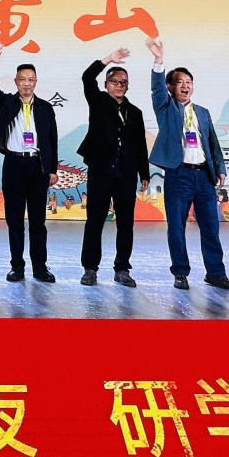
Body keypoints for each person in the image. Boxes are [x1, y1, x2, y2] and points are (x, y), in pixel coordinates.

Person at [147, 37, 229, 292]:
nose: (185, 86)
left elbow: (212, 142)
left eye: (189, 82)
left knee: (211, 227)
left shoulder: (202, 112)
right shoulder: (166, 107)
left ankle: (216, 274)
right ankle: (180, 273)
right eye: (180, 82)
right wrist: (158, 60)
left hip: (204, 177)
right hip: (179, 176)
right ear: (170, 87)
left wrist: (220, 168)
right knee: (177, 227)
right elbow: (156, 89)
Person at [0, 42, 58, 282]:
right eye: (22, 79)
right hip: (14, 165)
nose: (27, 83)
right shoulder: (8, 103)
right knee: (14, 220)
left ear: (36, 82)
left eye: (31, 80)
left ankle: (40, 267)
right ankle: (17, 267)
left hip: (37, 167)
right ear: (16, 82)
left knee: (38, 222)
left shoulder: (45, 108)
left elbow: (52, 140)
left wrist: (52, 170)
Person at [76, 47, 150, 287]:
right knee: (95, 221)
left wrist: (144, 173)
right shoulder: (98, 101)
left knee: (125, 223)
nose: (119, 85)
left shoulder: (135, 112)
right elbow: (87, 76)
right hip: (101, 170)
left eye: (123, 82)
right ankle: (90, 269)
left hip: (126, 173)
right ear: (106, 84)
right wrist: (108, 59)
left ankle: (122, 269)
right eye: (114, 81)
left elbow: (140, 144)